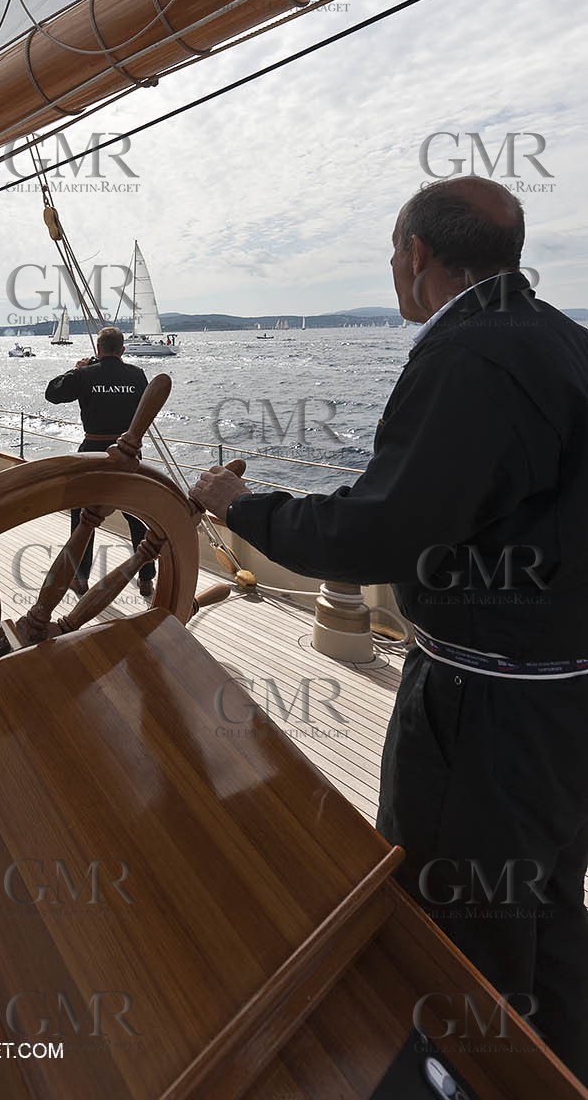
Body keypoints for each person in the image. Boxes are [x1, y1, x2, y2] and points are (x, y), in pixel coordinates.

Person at [190, 177, 588, 1082]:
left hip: (481, 712)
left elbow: (382, 529)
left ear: (413, 255)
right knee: (550, 913)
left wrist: (243, 506)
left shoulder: (467, 356)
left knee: (450, 929)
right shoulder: (567, 343)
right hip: (565, 704)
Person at [45, 324, 154, 599]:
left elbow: (53, 393)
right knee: (137, 515)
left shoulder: (86, 374)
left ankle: (80, 578)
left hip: (94, 450)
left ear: (98, 349)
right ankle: (146, 578)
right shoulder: (137, 375)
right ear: (123, 350)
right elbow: (147, 406)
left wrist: (77, 370)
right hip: (128, 453)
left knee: (83, 514)